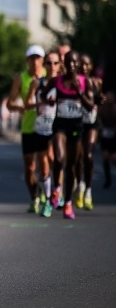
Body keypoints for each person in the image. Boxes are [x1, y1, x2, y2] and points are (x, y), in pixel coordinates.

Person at [39, 50, 95, 220]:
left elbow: (90, 106)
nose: (71, 65)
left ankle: (68, 203)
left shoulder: (86, 82)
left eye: (74, 62)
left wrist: (79, 93)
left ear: (77, 65)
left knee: (71, 165)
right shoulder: (57, 81)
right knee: (59, 158)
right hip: (60, 125)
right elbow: (43, 94)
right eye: (68, 62)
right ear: (65, 64)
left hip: (76, 126)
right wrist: (48, 100)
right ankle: (57, 189)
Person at [6, 45, 50, 213]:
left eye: (38, 58)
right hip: (28, 127)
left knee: (47, 162)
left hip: (47, 126)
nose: (35, 61)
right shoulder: (21, 78)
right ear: (27, 60)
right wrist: (19, 108)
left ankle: (50, 193)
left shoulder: (49, 77)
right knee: (30, 167)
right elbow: (10, 103)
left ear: (43, 60)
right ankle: (34, 198)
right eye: (32, 58)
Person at [25, 49, 62, 217]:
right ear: (44, 65)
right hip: (40, 127)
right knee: (44, 165)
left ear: (60, 65)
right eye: (49, 63)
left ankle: (57, 191)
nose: (52, 66)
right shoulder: (37, 83)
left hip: (57, 127)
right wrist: (40, 103)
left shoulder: (63, 83)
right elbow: (27, 104)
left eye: (56, 63)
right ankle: (47, 201)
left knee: (55, 158)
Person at [75, 54, 103, 210]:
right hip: (78, 123)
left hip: (92, 123)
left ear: (91, 66)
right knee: (78, 158)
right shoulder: (74, 82)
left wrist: (101, 99)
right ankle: (80, 185)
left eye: (87, 64)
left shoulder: (97, 82)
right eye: (81, 64)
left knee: (89, 156)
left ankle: (88, 192)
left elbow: (99, 100)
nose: (84, 67)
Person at [99, 89, 116, 189]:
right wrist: (101, 126)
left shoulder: (115, 108)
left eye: (111, 96)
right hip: (105, 135)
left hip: (114, 136)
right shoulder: (102, 108)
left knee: (114, 158)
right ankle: (108, 179)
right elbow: (98, 118)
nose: (109, 98)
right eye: (107, 96)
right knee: (105, 157)